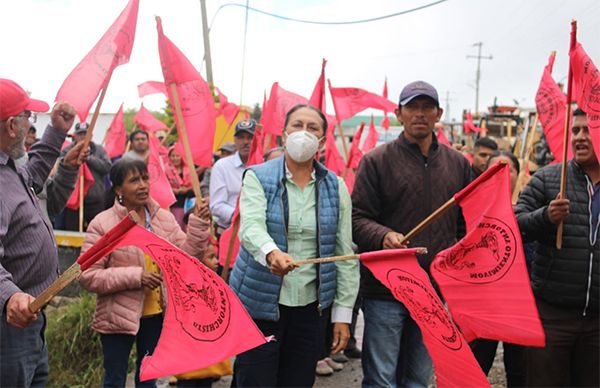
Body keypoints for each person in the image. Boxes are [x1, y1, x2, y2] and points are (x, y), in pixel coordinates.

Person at [229, 104, 359, 387]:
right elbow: (250, 227)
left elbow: (345, 254)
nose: (304, 133)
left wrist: (342, 315)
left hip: (309, 309)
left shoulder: (336, 187)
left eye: (312, 128)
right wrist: (271, 253)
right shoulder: (257, 177)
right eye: (297, 125)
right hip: (259, 304)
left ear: (323, 142)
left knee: (298, 381)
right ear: (283, 135)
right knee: (254, 380)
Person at [352, 80, 471, 388]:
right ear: (398, 113)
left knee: (418, 379)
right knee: (381, 380)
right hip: (385, 291)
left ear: (438, 113)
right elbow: (357, 218)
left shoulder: (458, 164)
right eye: (412, 107)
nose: (420, 114)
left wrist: (454, 264)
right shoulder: (376, 161)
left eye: (426, 107)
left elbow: (464, 225)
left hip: (433, 291)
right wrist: (383, 235)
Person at [78, 158, 212, 387]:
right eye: (134, 180)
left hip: (156, 315)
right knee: (114, 379)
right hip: (116, 317)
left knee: (148, 379)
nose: (142, 185)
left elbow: (187, 258)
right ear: (119, 189)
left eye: (144, 178)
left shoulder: (163, 219)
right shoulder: (103, 224)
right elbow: (87, 275)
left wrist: (199, 224)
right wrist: (136, 276)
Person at [0, 78, 77, 387]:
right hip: (9, 326)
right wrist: (10, 295)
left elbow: (33, 173)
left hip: (28, 318)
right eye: (27, 116)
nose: (32, 121)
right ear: (11, 127)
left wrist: (57, 131)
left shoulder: (10, 166)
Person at [515, 108, 599, 387]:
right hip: (552, 317)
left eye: (588, 130)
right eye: (575, 130)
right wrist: (545, 217)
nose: (580, 137)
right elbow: (513, 226)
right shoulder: (549, 178)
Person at [470, 150, 525, 387]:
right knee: (475, 367)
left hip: (519, 306)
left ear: (518, 175)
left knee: (519, 371)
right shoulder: (470, 212)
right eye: (495, 169)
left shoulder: (529, 209)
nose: (502, 174)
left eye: (508, 169)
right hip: (484, 305)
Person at [61, 122, 112, 230]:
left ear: (91, 135)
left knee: (97, 232)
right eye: (80, 134)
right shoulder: (67, 150)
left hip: (95, 200)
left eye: (86, 133)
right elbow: (60, 168)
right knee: (72, 232)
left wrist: (88, 158)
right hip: (73, 200)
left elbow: (107, 167)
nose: (83, 137)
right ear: (75, 135)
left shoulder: (99, 150)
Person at [209, 120, 255, 232]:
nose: (246, 142)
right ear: (235, 140)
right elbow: (216, 205)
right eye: (241, 137)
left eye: (250, 137)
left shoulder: (265, 165)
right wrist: (242, 218)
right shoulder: (222, 166)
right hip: (229, 230)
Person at [166, 147, 194, 230]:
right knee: (177, 225)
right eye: (172, 156)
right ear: (169, 157)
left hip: (188, 202)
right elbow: (164, 187)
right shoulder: (166, 170)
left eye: (177, 156)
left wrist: (186, 189)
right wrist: (175, 191)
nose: (175, 158)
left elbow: (195, 184)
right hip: (174, 203)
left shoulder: (188, 169)